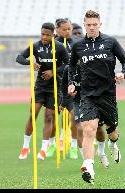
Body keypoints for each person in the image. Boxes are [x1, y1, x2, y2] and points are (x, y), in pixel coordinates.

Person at [68, 10, 125, 184]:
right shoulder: (78, 46)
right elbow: (71, 66)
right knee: (89, 130)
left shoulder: (110, 42)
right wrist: (71, 82)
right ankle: (88, 167)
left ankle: (113, 145)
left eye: (94, 24)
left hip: (108, 94)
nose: (92, 27)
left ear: (100, 24)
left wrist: (122, 74)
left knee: (112, 132)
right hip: (88, 95)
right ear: (84, 25)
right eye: (88, 25)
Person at [16, 22, 69, 161]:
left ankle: (44, 148)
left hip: (54, 87)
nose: (44, 37)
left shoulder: (59, 48)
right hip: (40, 86)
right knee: (33, 114)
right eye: (42, 34)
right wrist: (30, 63)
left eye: (47, 35)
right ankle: (25, 146)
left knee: (49, 117)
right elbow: (19, 58)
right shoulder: (35, 46)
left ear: (53, 35)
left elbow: (69, 64)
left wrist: (53, 71)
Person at [46, 18, 79, 159]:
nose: (68, 31)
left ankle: (73, 145)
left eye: (69, 29)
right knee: (51, 117)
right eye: (64, 29)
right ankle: (52, 144)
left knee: (74, 117)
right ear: (57, 30)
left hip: (71, 87)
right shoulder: (52, 45)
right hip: (56, 87)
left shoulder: (78, 44)